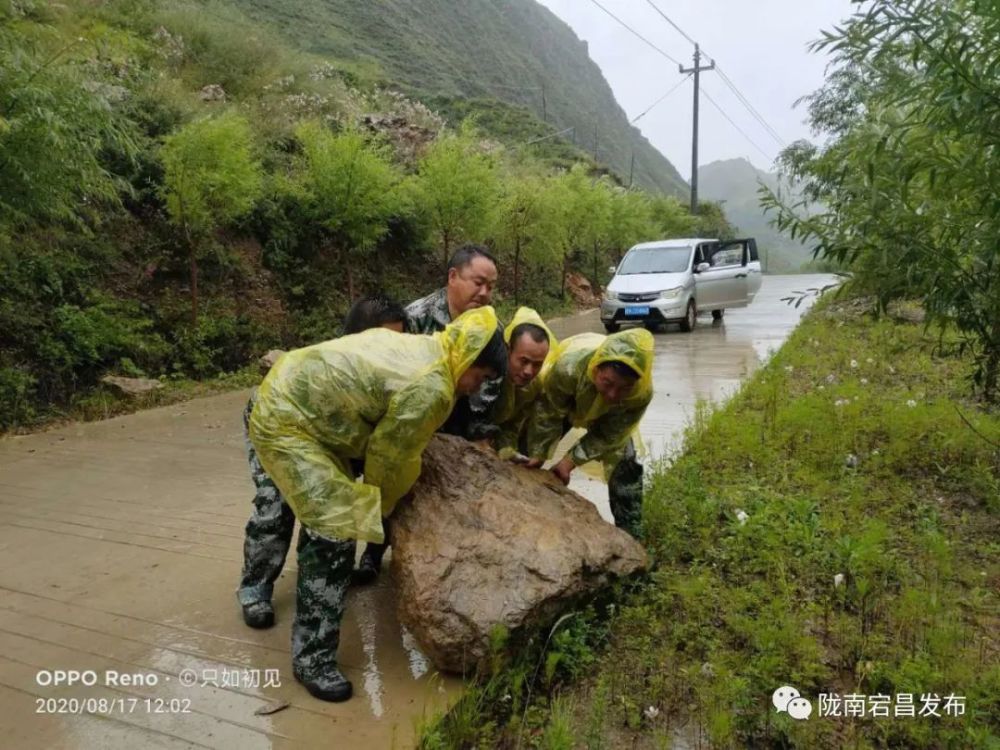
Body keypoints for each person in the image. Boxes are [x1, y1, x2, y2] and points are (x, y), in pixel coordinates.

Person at [248, 307, 507, 702]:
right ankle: (312, 659)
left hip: (308, 411)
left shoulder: (428, 348)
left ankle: (317, 617)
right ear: (469, 358)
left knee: (338, 514)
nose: (476, 387)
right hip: (288, 421)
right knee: (333, 532)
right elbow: (389, 458)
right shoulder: (433, 387)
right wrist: (385, 508)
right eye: (482, 376)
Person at [237, 296, 406, 630]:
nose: (396, 349)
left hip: (330, 438)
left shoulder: (393, 372)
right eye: (387, 340)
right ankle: (254, 587)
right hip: (276, 426)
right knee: (277, 506)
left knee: (345, 504)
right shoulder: (328, 370)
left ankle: (340, 572)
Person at [524, 329, 654, 537]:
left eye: (623, 388)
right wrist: (538, 453)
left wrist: (568, 462)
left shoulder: (639, 395)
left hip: (611, 417)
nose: (613, 394)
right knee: (527, 449)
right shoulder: (568, 369)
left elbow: (608, 436)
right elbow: (548, 414)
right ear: (596, 370)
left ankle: (631, 534)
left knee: (625, 462)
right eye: (608, 383)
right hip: (570, 401)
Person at [490, 307, 556, 461]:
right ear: (508, 351)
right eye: (524, 361)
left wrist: (507, 450)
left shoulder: (534, 386)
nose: (528, 371)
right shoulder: (488, 374)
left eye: (537, 364)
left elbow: (512, 426)